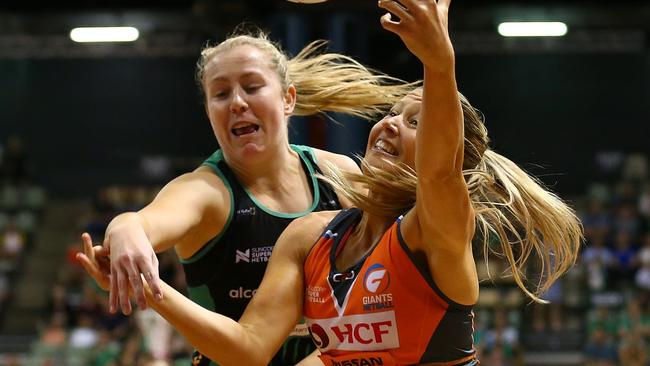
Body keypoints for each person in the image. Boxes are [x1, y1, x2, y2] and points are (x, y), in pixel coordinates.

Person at [79, 0, 583, 364]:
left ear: (288, 100)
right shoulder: (310, 234)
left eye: (415, 123)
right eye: (391, 114)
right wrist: (137, 255)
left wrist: (438, 62)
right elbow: (253, 349)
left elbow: (439, 171)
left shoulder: (432, 231)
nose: (388, 124)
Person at [98, 27, 414, 366]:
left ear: (288, 98)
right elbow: (143, 222)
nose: (236, 102)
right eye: (220, 94)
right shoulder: (207, 191)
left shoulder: (339, 174)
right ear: (209, 113)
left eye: (251, 87)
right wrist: (124, 228)